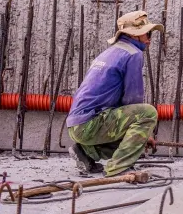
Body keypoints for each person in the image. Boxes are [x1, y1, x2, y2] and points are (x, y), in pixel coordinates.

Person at [66, 10, 160, 177]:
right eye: (147, 33)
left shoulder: (112, 51)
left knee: (133, 139)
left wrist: (140, 135)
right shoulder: (133, 54)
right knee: (148, 113)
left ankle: (86, 152)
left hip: (77, 126)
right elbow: (133, 100)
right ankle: (119, 168)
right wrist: (146, 131)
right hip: (90, 125)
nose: (149, 38)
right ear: (134, 35)